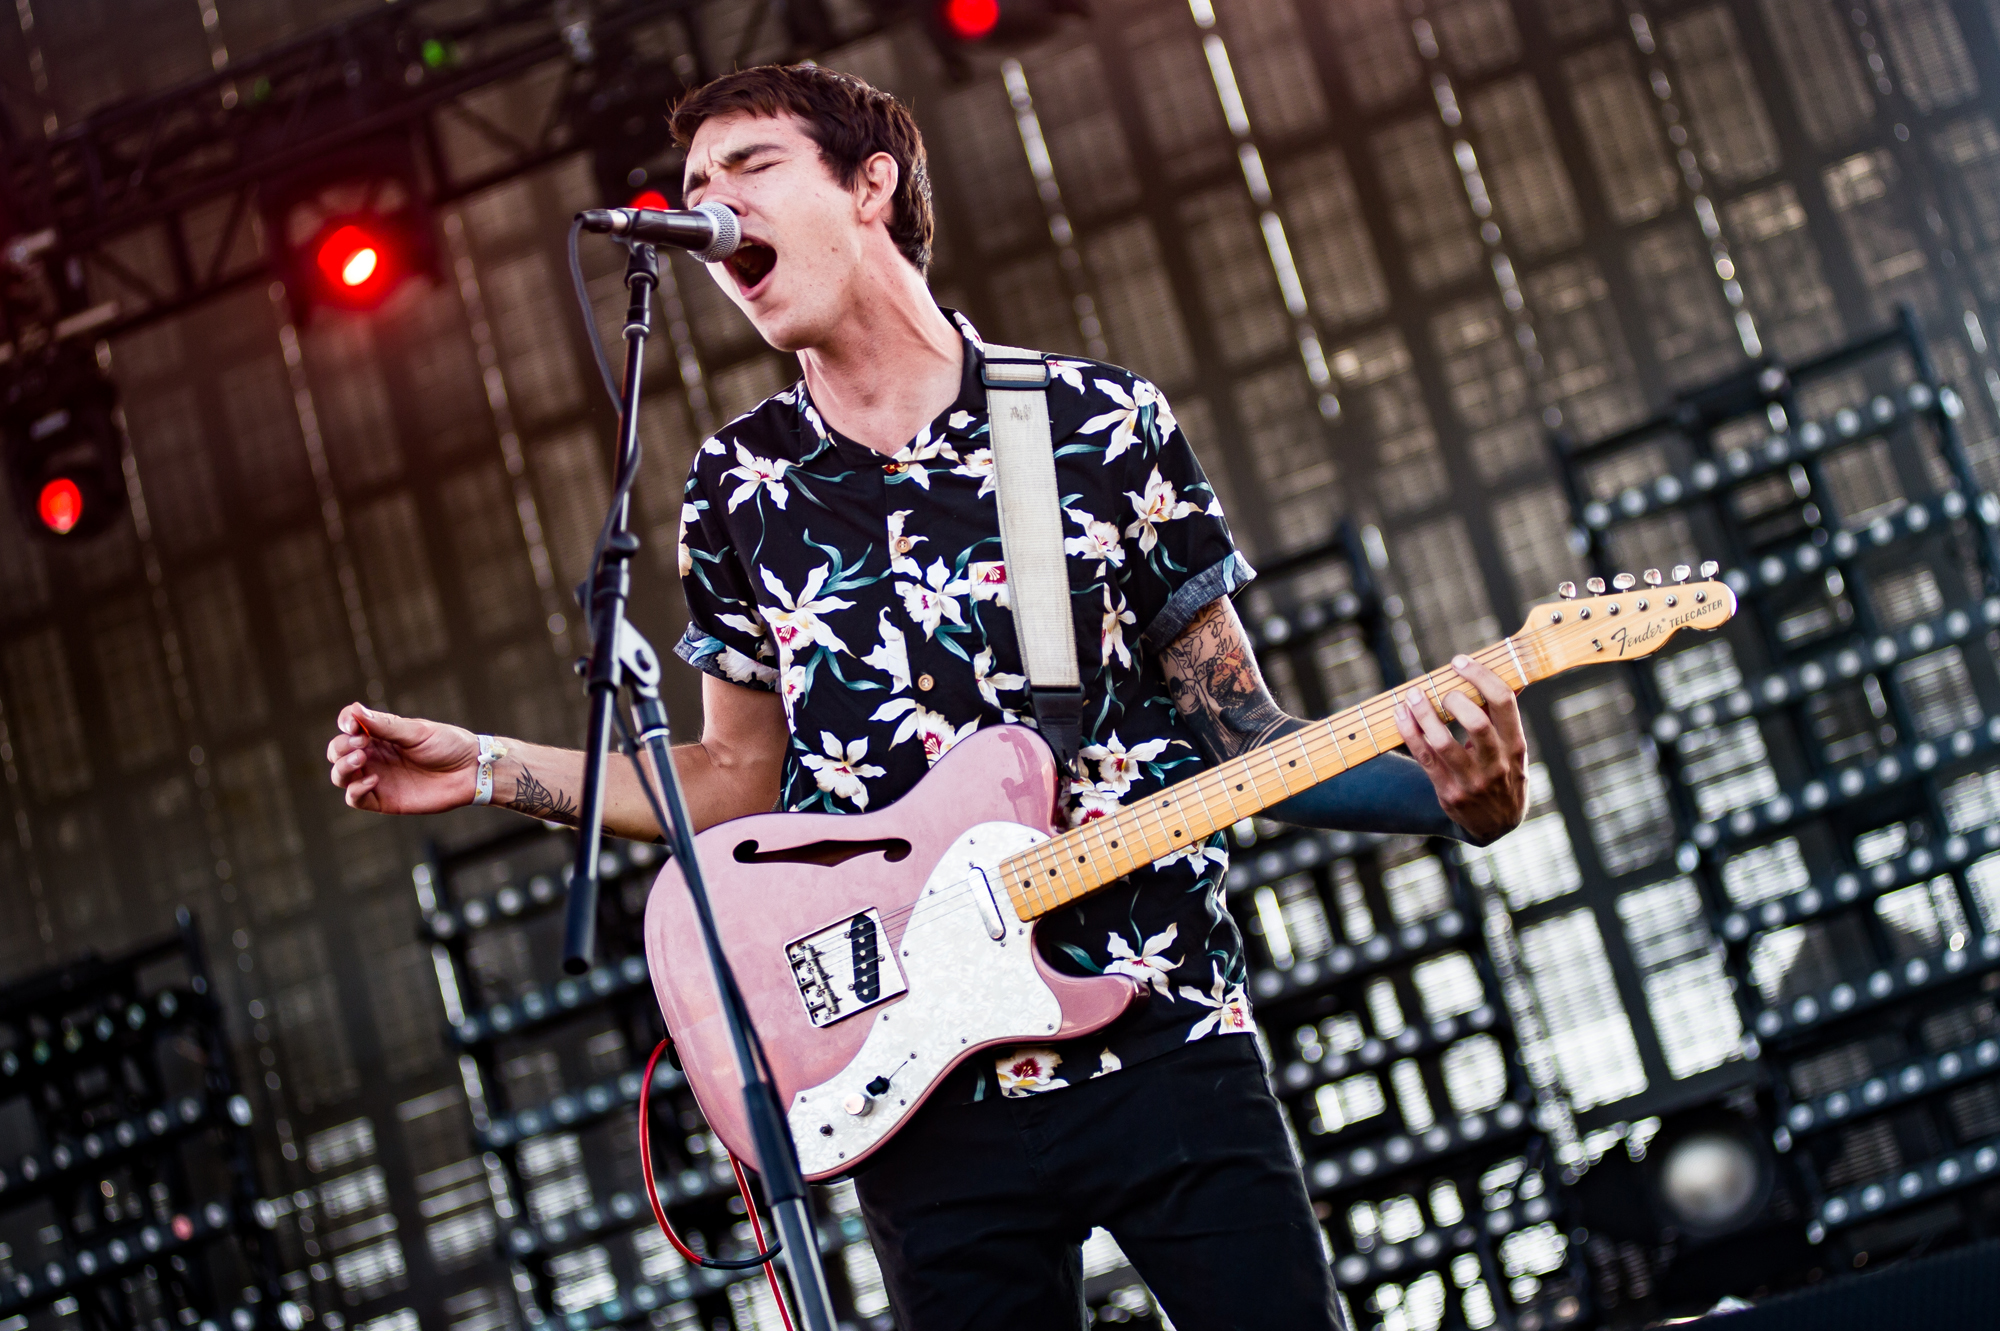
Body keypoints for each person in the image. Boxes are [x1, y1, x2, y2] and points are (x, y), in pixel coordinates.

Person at [326, 64, 1528, 1331]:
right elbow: (734, 780)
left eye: (748, 170)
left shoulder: (1092, 422)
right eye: (691, 189)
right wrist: (486, 766)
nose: (710, 206)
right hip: (916, 1088)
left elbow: (1246, 736)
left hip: (1163, 1028)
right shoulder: (737, 489)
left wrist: (1462, 803)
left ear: (869, 186)